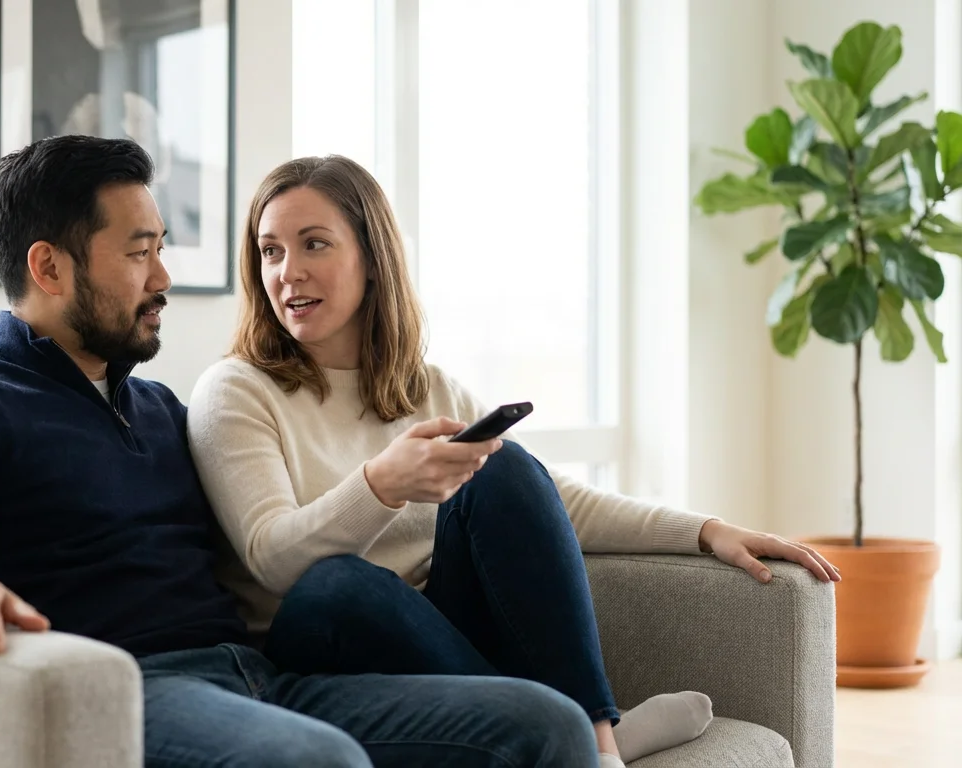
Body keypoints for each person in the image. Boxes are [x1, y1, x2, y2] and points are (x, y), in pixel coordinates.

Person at [0, 135, 603, 767]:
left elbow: (277, 536)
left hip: (265, 677)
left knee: (548, 724)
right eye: (140, 253)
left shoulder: (158, 410)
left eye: (161, 250)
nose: (164, 278)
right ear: (49, 267)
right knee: (317, 763)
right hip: (125, 688)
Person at [186, 154, 843, 768]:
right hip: (315, 648)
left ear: (372, 256)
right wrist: (381, 485)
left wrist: (706, 531)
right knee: (341, 585)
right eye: (270, 251)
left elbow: (557, 503)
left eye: (313, 243)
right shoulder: (236, 391)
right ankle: (592, 738)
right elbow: (271, 557)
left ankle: (592, 739)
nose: (286, 271)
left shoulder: (428, 387)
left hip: (436, 637)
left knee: (506, 468)